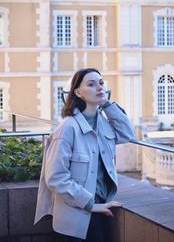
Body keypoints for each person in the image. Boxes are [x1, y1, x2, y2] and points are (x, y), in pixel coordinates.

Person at [34, 68, 135, 241]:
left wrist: (107, 105)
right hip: (75, 219)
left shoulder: (103, 124)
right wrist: (91, 205)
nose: (99, 87)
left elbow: (127, 134)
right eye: (91, 84)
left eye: (101, 83)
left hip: (102, 212)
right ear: (78, 92)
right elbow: (56, 177)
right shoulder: (67, 128)